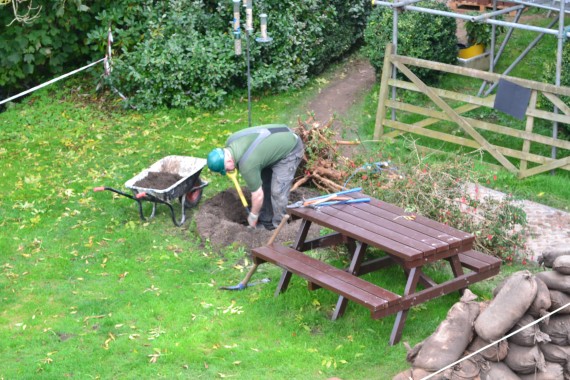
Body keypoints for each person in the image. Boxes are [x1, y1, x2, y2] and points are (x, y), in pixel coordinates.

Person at [207, 124, 304, 230]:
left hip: (290, 149)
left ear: (229, 160)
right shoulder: (230, 142)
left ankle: (280, 229)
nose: (227, 172)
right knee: (262, 185)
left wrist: (253, 215)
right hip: (273, 146)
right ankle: (266, 221)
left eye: (225, 169)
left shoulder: (247, 165)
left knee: (277, 192)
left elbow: (257, 196)